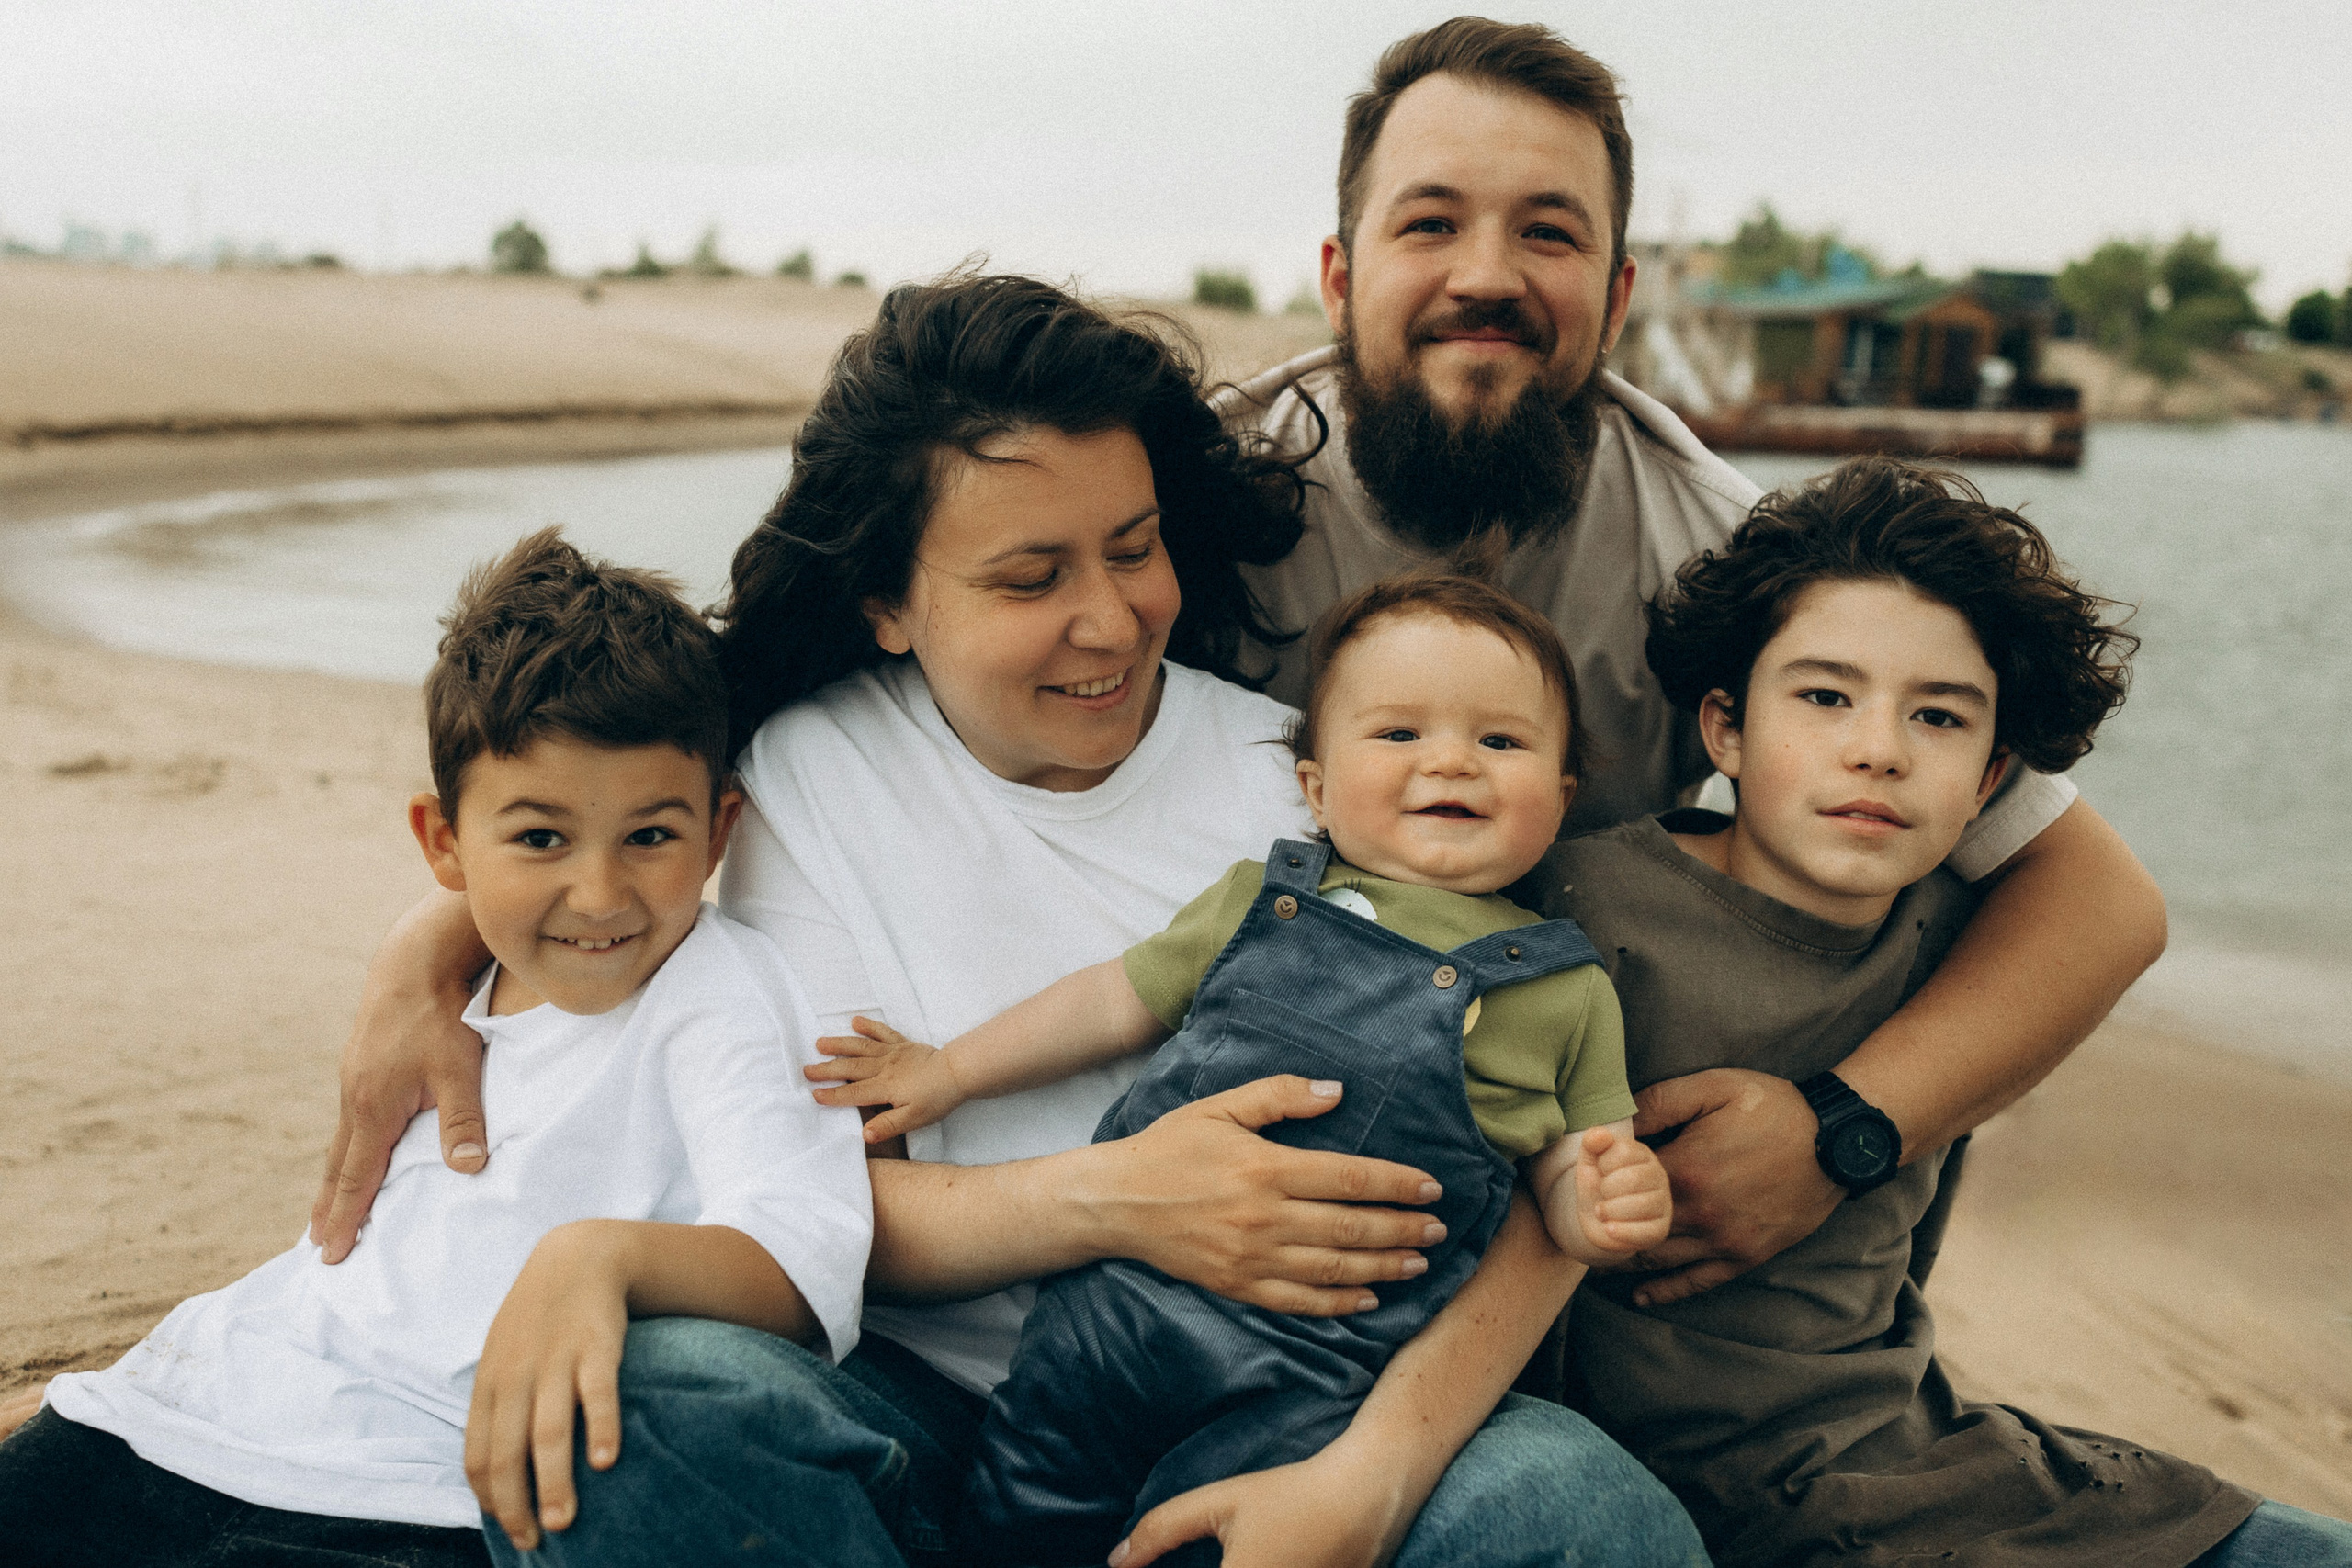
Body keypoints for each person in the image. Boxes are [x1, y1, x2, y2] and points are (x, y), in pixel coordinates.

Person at [295, 276, 1709, 1567]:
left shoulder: (1306, 783)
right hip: (918, 1396)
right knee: (657, 1402)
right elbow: (820, 1183)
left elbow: (1541, 1164)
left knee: (1580, 1516)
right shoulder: (804, 770)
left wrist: (1374, 1477)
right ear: (888, 601)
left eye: (1135, 548)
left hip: (1303, 1399)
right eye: (1029, 579)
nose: (1109, 619)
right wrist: (1132, 1198)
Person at [1220, 16, 2174, 1314]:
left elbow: (2096, 902)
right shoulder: (1190, 507)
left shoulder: (1727, 551)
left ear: (1617, 297)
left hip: (1568, 1167)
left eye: (1549, 233)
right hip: (1222, 1092)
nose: (1487, 276)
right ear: (1338, 276)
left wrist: (1844, 1130)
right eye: (1430, 223)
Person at [0, 530, 871, 1562]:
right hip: (215, 1391)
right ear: (442, 843)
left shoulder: (718, 994)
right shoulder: (453, 987)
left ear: (719, 832)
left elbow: (798, 1261)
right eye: (541, 838)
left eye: (650, 836)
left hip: (414, 1485)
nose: (599, 895)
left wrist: (604, 1258)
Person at [1542, 457, 2352, 1566]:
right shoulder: (1585, 908)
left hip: (1914, 1468)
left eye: (1937, 716)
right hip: (1662, 1491)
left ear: (1990, 779)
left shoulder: (1961, 943)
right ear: (1725, 730)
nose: (1878, 747)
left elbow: (2106, 921)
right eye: (1824, 698)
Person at [809, 574, 1670, 1563]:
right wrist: (950, 1071)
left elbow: (1576, 1162)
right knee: (1021, 1509)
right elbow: (1108, 1001)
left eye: (1500, 742)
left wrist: (1601, 1205)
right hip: (1119, 1311)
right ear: (1313, 786)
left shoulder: (1565, 989)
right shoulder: (1262, 901)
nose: (1451, 762)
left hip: (1321, 1373)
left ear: (1561, 796)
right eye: (1398, 735)